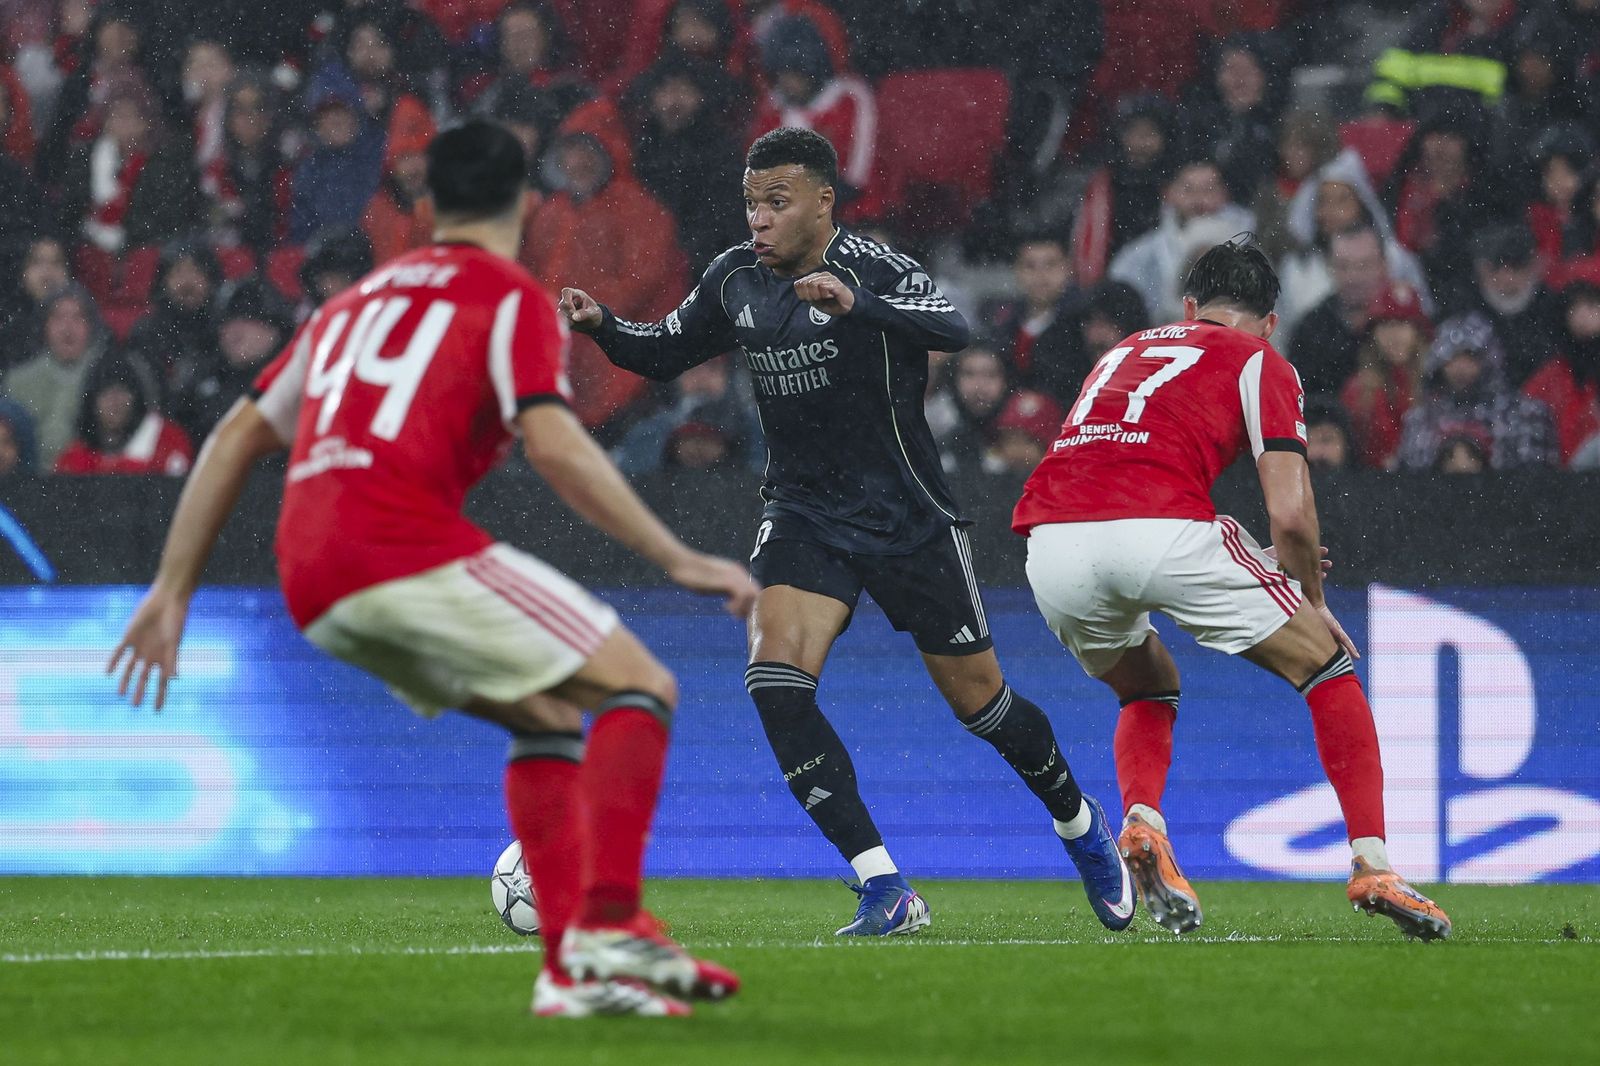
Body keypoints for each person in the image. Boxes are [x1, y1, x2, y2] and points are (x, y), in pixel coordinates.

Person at [108, 120, 754, 1018]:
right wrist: (676, 555)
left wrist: (170, 589)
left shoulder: (346, 308)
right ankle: (608, 921)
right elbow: (557, 442)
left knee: (547, 720)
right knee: (643, 686)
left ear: (426, 206)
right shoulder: (509, 296)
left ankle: (571, 977)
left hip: (311, 574)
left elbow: (232, 439)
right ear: (528, 206)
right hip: (398, 542)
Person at [560, 127, 1132, 937]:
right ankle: (884, 884)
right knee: (775, 683)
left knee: (983, 706)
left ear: (823, 203)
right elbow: (664, 353)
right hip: (803, 513)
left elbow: (954, 330)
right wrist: (603, 326)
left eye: (777, 202)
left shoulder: (875, 268)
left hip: (907, 516)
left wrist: (857, 305)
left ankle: (1078, 823)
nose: (758, 219)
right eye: (751, 203)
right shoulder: (735, 279)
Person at [1014, 237, 1452, 941]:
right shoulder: (1262, 360)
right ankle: (1373, 862)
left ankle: (1143, 823)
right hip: (1157, 527)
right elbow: (1290, 512)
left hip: (1050, 542)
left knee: (1147, 684)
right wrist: (1311, 599)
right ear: (1271, 321)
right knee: (1327, 666)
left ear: (1189, 307)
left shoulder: (1123, 350)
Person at [1397, 312, 1556, 470]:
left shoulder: (1524, 415)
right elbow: (1407, 480)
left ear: (1488, 360)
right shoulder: (1420, 420)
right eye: (1451, 357)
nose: (1460, 367)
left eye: (1470, 356)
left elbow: (1537, 482)